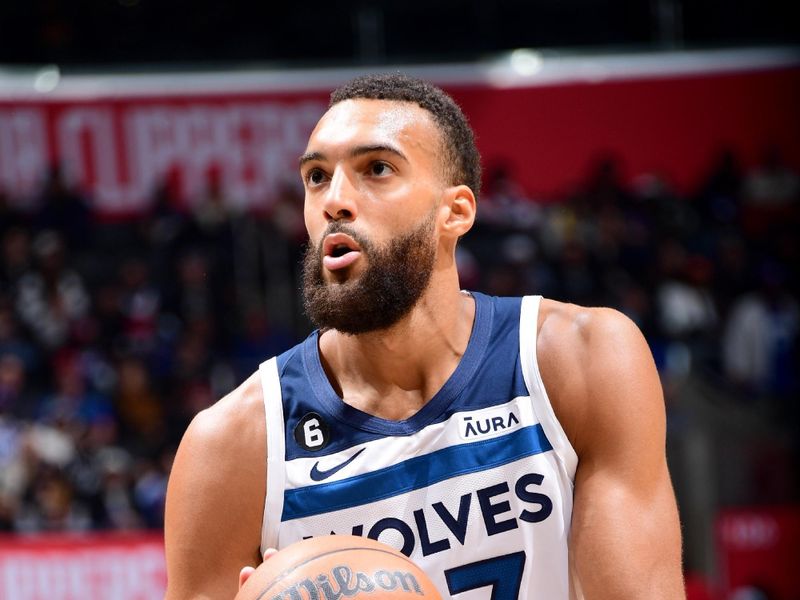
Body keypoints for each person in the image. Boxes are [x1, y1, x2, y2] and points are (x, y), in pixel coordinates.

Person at [164, 74, 684, 599]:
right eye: (317, 177)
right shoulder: (234, 447)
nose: (335, 200)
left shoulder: (579, 360)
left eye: (377, 169)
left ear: (454, 212)